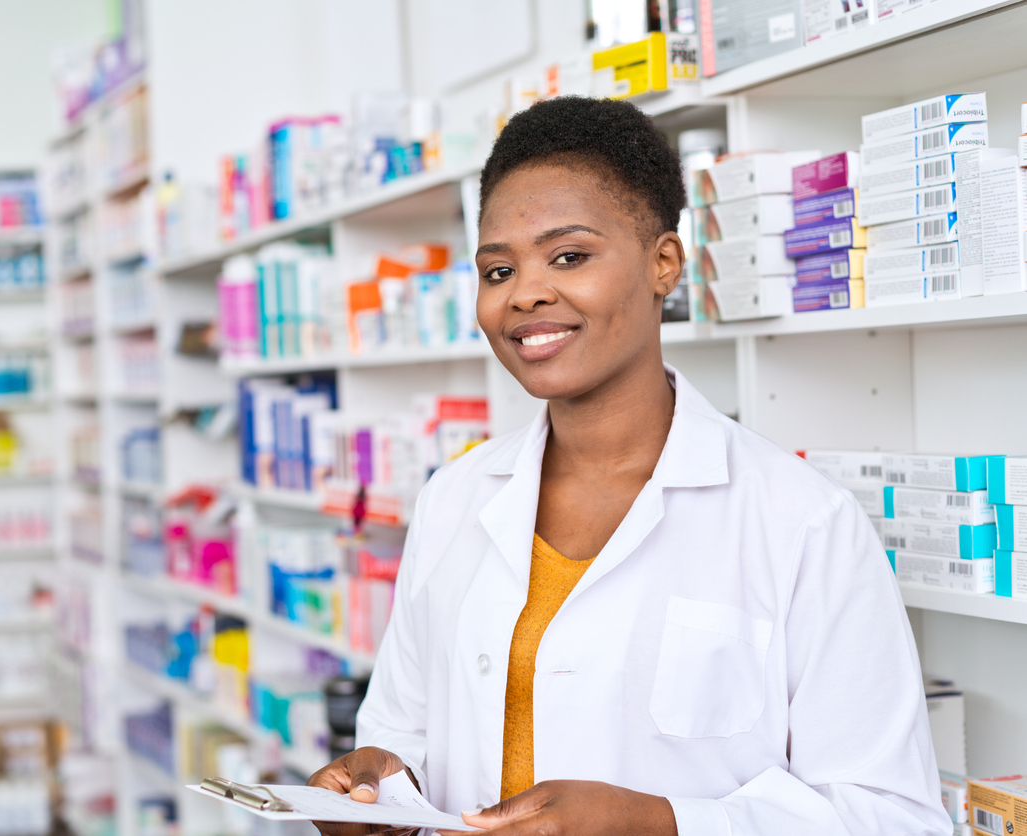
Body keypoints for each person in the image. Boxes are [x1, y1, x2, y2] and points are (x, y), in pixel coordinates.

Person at [307, 96, 952, 836]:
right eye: (495, 270)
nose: (525, 293)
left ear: (663, 263)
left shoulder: (800, 519)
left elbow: (896, 817)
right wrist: (379, 784)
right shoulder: (454, 496)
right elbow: (405, 727)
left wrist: (660, 823)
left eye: (569, 256)